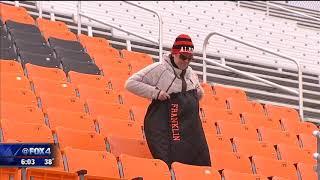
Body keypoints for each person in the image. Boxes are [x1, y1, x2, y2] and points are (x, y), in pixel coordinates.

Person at [125, 34, 211, 167]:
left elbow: (199, 94)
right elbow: (130, 83)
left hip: (187, 126)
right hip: (164, 123)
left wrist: (191, 97)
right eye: (183, 57)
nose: (186, 61)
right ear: (174, 53)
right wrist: (155, 93)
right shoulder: (159, 68)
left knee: (198, 161)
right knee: (170, 161)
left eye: (190, 58)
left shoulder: (191, 73)